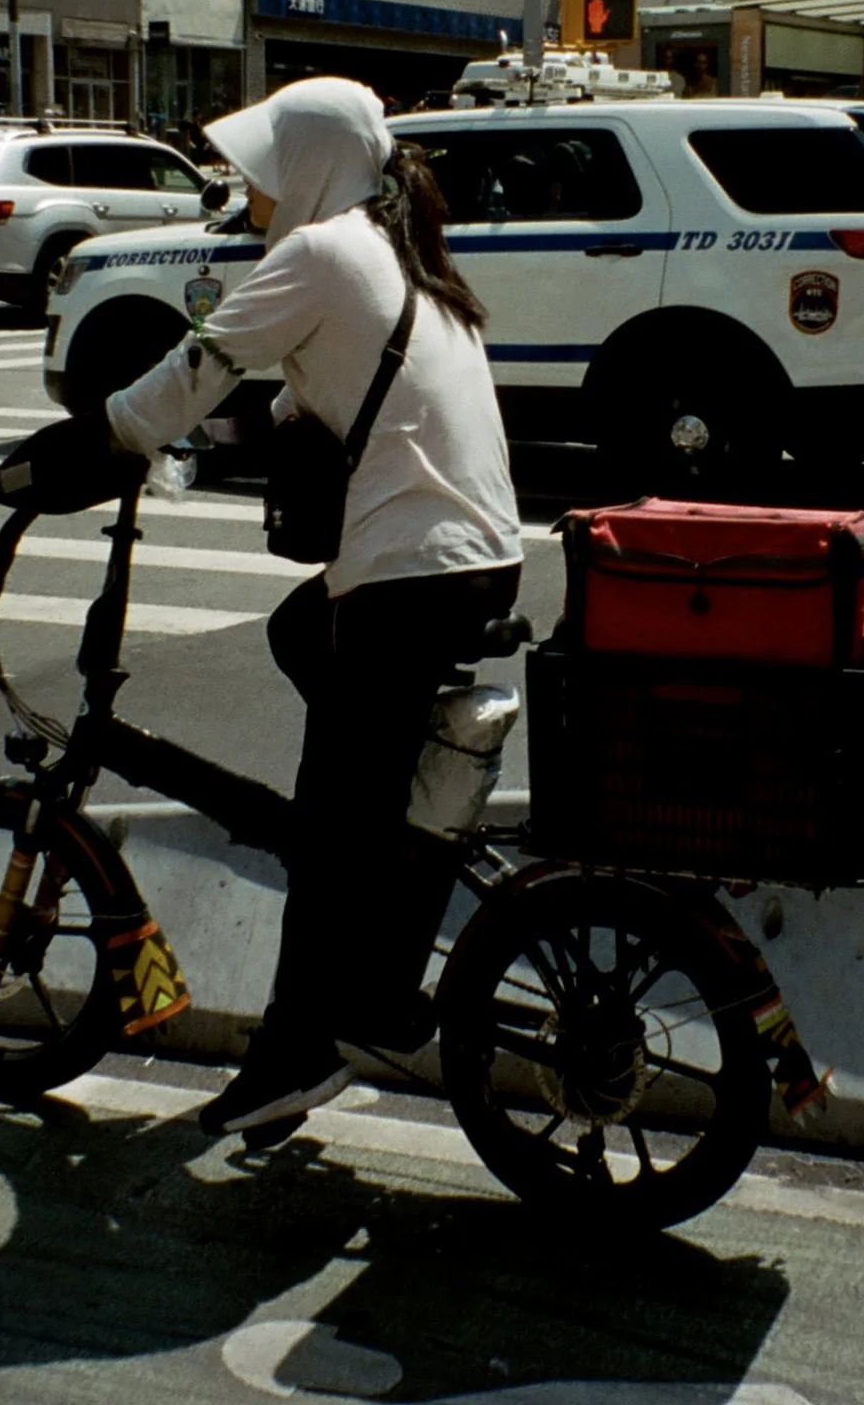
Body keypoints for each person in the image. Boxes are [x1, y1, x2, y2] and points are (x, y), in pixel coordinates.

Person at [100, 77, 522, 1139]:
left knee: (330, 823)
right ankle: (375, 851)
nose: (245, 187)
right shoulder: (403, 261)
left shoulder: (323, 251)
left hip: (408, 578)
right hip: (475, 561)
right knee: (301, 633)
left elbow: (198, 365)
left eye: (260, 166)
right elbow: (299, 404)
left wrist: (103, 432)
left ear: (308, 164)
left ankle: (298, 1049)